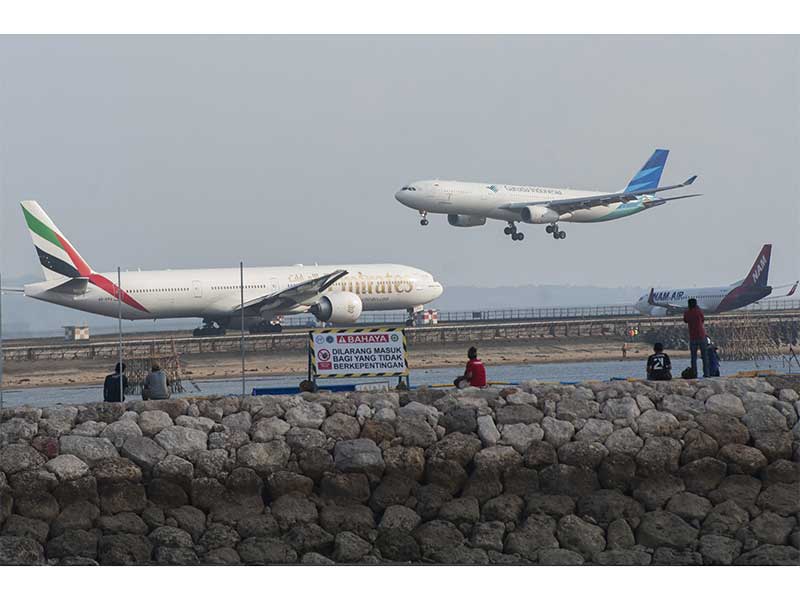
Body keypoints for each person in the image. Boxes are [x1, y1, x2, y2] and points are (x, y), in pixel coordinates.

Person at [683, 298, 709, 378]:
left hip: (693, 337)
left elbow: (685, 320)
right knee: (704, 356)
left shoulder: (687, 312)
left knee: (693, 357)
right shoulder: (699, 311)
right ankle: (706, 374)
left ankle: (694, 374)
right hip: (701, 335)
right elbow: (702, 320)